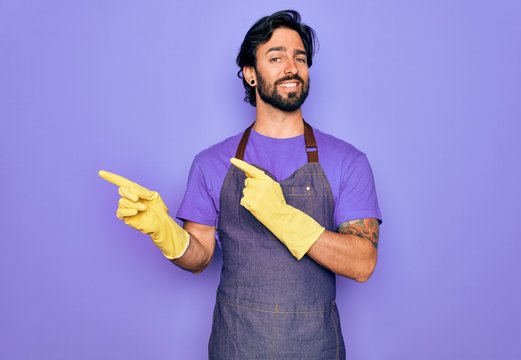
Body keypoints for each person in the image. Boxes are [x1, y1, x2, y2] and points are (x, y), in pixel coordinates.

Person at [99, 9, 382, 359]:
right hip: (236, 346)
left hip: (316, 348)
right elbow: (200, 256)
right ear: (250, 73)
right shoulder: (211, 163)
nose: (291, 67)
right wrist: (163, 231)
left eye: (300, 58)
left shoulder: (347, 161)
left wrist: (282, 217)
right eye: (275, 57)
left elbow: (363, 263)